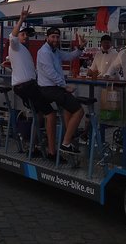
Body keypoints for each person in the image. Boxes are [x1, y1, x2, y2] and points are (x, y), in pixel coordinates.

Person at [9, 6, 56, 160]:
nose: (26, 37)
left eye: (27, 35)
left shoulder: (24, 50)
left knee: (40, 114)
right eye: (23, 35)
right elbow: (12, 36)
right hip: (26, 86)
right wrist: (21, 19)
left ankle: (34, 146)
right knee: (51, 113)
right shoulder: (15, 47)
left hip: (27, 85)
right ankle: (51, 151)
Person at [37, 27, 87, 155]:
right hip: (49, 89)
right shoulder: (44, 52)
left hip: (53, 89)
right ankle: (66, 143)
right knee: (79, 111)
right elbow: (51, 73)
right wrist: (65, 86)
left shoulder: (55, 51)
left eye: (57, 37)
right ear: (47, 37)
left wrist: (80, 48)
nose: (55, 39)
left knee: (68, 109)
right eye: (53, 37)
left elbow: (70, 56)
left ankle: (69, 135)